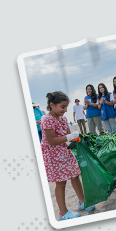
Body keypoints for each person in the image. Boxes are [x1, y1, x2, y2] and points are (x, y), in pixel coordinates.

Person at [41, 91, 94, 220]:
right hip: (53, 155)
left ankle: (83, 202)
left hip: (64, 152)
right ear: (52, 105)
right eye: (62, 107)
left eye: (66, 107)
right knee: (61, 182)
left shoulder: (63, 118)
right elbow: (51, 140)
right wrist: (69, 137)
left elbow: (68, 137)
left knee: (75, 175)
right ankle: (63, 213)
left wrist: (78, 139)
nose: (65, 110)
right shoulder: (47, 120)